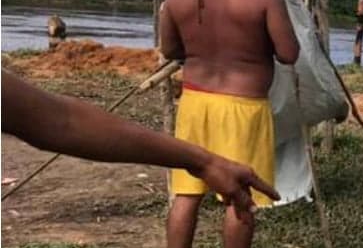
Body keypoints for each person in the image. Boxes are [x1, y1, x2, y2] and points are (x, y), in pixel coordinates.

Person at [159, 0, 299, 248]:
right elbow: (289, 54)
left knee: (186, 193)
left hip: (195, 102)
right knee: (239, 197)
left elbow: (170, 50)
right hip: (243, 107)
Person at [1, 71, 279, 225]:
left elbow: (62, 122)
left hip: (195, 99)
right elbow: (62, 121)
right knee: (241, 203)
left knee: (186, 196)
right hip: (244, 102)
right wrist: (204, 162)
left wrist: (203, 161)